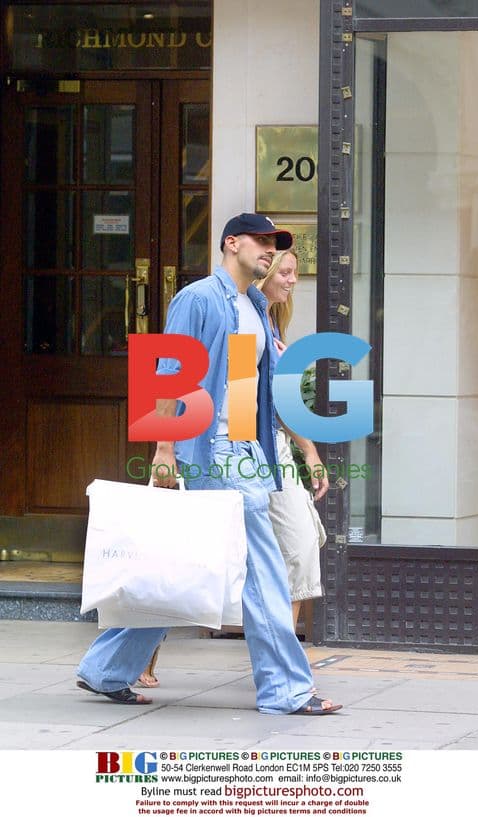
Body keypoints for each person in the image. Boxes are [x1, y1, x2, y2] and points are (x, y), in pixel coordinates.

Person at [76, 212, 342, 715]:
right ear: (230, 243)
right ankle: (286, 689)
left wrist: (261, 453)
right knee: (262, 571)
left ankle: (105, 670)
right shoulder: (199, 298)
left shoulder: (253, 306)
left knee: (187, 562)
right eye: (261, 241)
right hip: (212, 453)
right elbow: (169, 373)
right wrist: (164, 451)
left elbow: (239, 391)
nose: (268, 250)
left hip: (241, 451)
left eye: (274, 244)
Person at [257, 249, 328, 630]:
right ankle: (142, 658)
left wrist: (309, 452)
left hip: (272, 447)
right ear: (262, 274)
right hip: (236, 449)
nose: (293, 280)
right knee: (197, 557)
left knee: (300, 548)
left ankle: (285, 662)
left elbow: (280, 404)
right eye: (285, 272)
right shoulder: (241, 321)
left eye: (294, 273)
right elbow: (238, 398)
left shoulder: (271, 324)